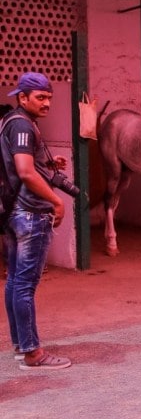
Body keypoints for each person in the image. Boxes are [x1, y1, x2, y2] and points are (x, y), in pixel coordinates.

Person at [1, 72, 71, 370]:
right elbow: (25, 172)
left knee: (16, 281)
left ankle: (21, 345)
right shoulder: (21, 126)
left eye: (49, 98)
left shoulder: (11, 122)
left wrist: (49, 165)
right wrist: (56, 201)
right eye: (40, 98)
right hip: (30, 213)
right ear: (23, 97)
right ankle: (32, 353)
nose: (47, 103)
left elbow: (25, 167)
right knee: (25, 285)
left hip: (14, 212)